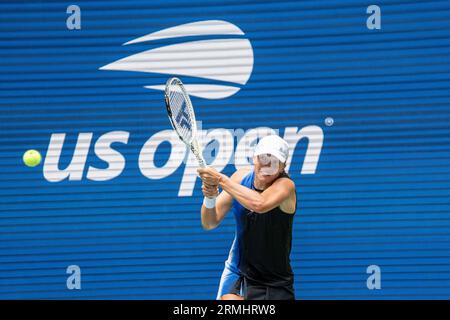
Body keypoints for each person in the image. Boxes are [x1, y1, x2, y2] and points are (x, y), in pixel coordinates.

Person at [198, 134, 297, 300]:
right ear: (254, 158)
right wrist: (210, 197)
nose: (267, 165)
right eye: (264, 158)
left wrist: (220, 180)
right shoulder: (240, 178)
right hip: (238, 272)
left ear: (282, 167)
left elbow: (260, 204)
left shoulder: (286, 186)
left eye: (275, 161)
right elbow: (209, 222)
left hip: (274, 283)